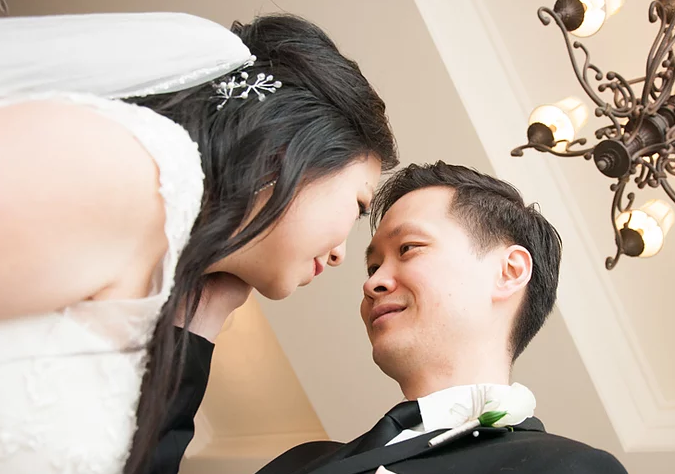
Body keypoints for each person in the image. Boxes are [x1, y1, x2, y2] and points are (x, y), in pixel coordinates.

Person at [0, 11, 397, 474]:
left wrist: (204, 318)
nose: (339, 254)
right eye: (358, 206)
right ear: (295, 152)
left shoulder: (164, 260)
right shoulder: (134, 172)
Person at [164, 162, 628, 474]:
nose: (373, 283)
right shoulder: (299, 463)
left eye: (408, 248)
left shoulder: (567, 468)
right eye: (372, 267)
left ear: (509, 272)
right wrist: (201, 317)